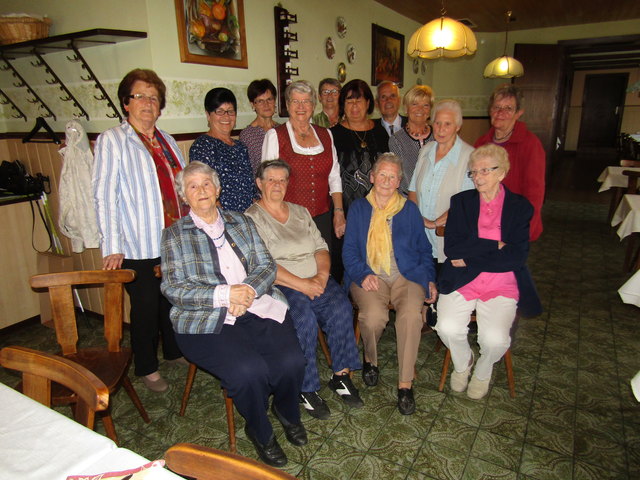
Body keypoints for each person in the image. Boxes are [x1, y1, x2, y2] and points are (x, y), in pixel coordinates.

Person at [160, 162, 306, 468]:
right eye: (193, 186)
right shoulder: (175, 235)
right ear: (184, 196)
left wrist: (247, 291)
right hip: (206, 320)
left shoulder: (241, 221)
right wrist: (226, 295)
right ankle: (260, 430)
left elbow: (266, 265)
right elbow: (174, 289)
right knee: (248, 372)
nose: (201, 191)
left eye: (206, 184)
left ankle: (286, 412)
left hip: (255, 305)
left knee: (292, 361)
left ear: (218, 189)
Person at [246, 160, 362, 420]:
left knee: (341, 307)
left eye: (282, 180)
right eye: (271, 180)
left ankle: (340, 375)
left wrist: (321, 276)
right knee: (304, 318)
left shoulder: (300, 211)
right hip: (281, 284)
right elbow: (264, 265)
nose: (277, 185)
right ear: (259, 183)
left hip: (315, 277)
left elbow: (320, 246)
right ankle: (306, 387)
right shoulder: (250, 218)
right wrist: (303, 285)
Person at [93, 68, 186, 393]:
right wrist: (111, 245)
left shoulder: (168, 141)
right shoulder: (113, 140)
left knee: (170, 301)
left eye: (154, 97)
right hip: (137, 244)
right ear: (126, 103)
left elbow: (180, 188)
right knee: (146, 307)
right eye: (140, 96)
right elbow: (104, 195)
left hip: (171, 241)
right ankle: (146, 366)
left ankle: (174, 351)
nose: (148, 102)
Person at [436, 144, 542, 400]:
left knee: (495, 340)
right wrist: (495, 245)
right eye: (473, 172)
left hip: (502, 282)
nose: (478, 177)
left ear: (502, 173)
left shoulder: (519, 207)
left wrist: (471, 257)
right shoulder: (461, 202)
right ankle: (464, 363)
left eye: (485, 170)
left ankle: (483, 370)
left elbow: (516, 258)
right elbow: (453, 248)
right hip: (462, 280)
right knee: (446, 327)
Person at [342, 153, 437, 415]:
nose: (386, 180)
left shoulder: (409, 210)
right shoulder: (360, 208)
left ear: (399, 181)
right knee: (373, 318)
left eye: (392, 176)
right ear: (372, 178)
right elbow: (349, 250)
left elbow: (424, 250)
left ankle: (405, 384)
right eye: (381, 174)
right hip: (369, 274)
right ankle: (371, 360)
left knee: (409, 317)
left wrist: (429, 280)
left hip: (407, 275)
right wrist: (362, 274)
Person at [262, 80, 345, 245]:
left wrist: (338, 211)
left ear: (313, 105)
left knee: (323, 264)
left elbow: (334, 177)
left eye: (306, 101)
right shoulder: (275, 136)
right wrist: (273, 220)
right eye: (295, 101)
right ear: (287, 104)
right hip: (288, 218)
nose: (301, 106)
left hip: (322, 216)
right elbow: (268, 183)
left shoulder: (326, 134)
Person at [474, 84, 545, 241]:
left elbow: (535, 193)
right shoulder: (481, 143)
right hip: (484, 223)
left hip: (514, 223)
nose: (501, 113)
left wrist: (524, 231)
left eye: (508, 108)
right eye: (497, 107)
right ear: (490, 110)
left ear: (519, 113)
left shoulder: (530, 144)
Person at [408, 99, 475, 265]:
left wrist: (434, 223)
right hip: (420, 237)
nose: (441, 129)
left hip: (447, 237)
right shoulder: (426, 150)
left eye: (447, 124)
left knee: (442, 286)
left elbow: (466, 203)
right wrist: (417, 219)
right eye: (437, 123)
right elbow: (413, 190)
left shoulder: (469, 156)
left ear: (458, 126)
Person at [189, 87, 254, 212]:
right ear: (208, 115)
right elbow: (204, 191)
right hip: (222, 218)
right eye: (219, 111)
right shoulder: (202, 146)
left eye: (230, 111)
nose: (226, 117)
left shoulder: (241, 147)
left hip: (247, 217)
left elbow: (251, 187)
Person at [331, 79, 389, 212]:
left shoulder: (380, 131)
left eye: (359, 101)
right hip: (346, 208)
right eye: (349, 102)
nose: (354, 106)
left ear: (368, 103)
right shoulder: (334, 134)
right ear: (343, 106)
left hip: (380, 206)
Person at [389, 84, 435, 194]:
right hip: (407, 199)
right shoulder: (397, 140)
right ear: (406, 108)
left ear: (430, 110)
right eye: (414, 104)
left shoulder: (438, 135)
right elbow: (400, 175)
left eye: (426, 105)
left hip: (436, 197)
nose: (420, 109)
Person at [239, 79, 279, 174]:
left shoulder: (282, 130)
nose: (266, 104)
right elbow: (248, 170)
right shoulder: (247, 135)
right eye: (260, 101)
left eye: (269, 99)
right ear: (253, 105)